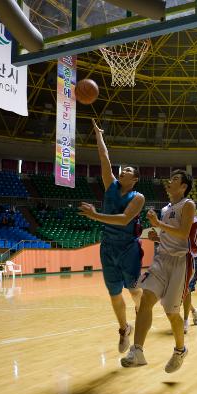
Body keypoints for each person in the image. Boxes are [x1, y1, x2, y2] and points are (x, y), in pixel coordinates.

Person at [121, 169, 197, 373]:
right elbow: (170, 233)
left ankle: (180, 350)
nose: (169, 181)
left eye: (174, 179)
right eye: (170, 178)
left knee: (171, 312)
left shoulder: (188, 205)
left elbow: (183, 233)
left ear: (183, 186)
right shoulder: (165, 209)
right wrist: (159, 236)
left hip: (180, 263)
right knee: (146, 299)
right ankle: (137, 350)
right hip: (161, 260)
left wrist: (158, 224)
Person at [79, 119, 145, 353]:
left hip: (129, 249)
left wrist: (96, 216)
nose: (122, 171)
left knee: (134, 290)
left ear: (134, 179)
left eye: (127, 171)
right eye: (123, 169)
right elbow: (104, 157)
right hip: (108, 247)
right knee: (114, 293)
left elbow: (124, 219)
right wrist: (99, 135)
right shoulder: (110, 184)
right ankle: (124, 329)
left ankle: (141, 310)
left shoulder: (138, 197)